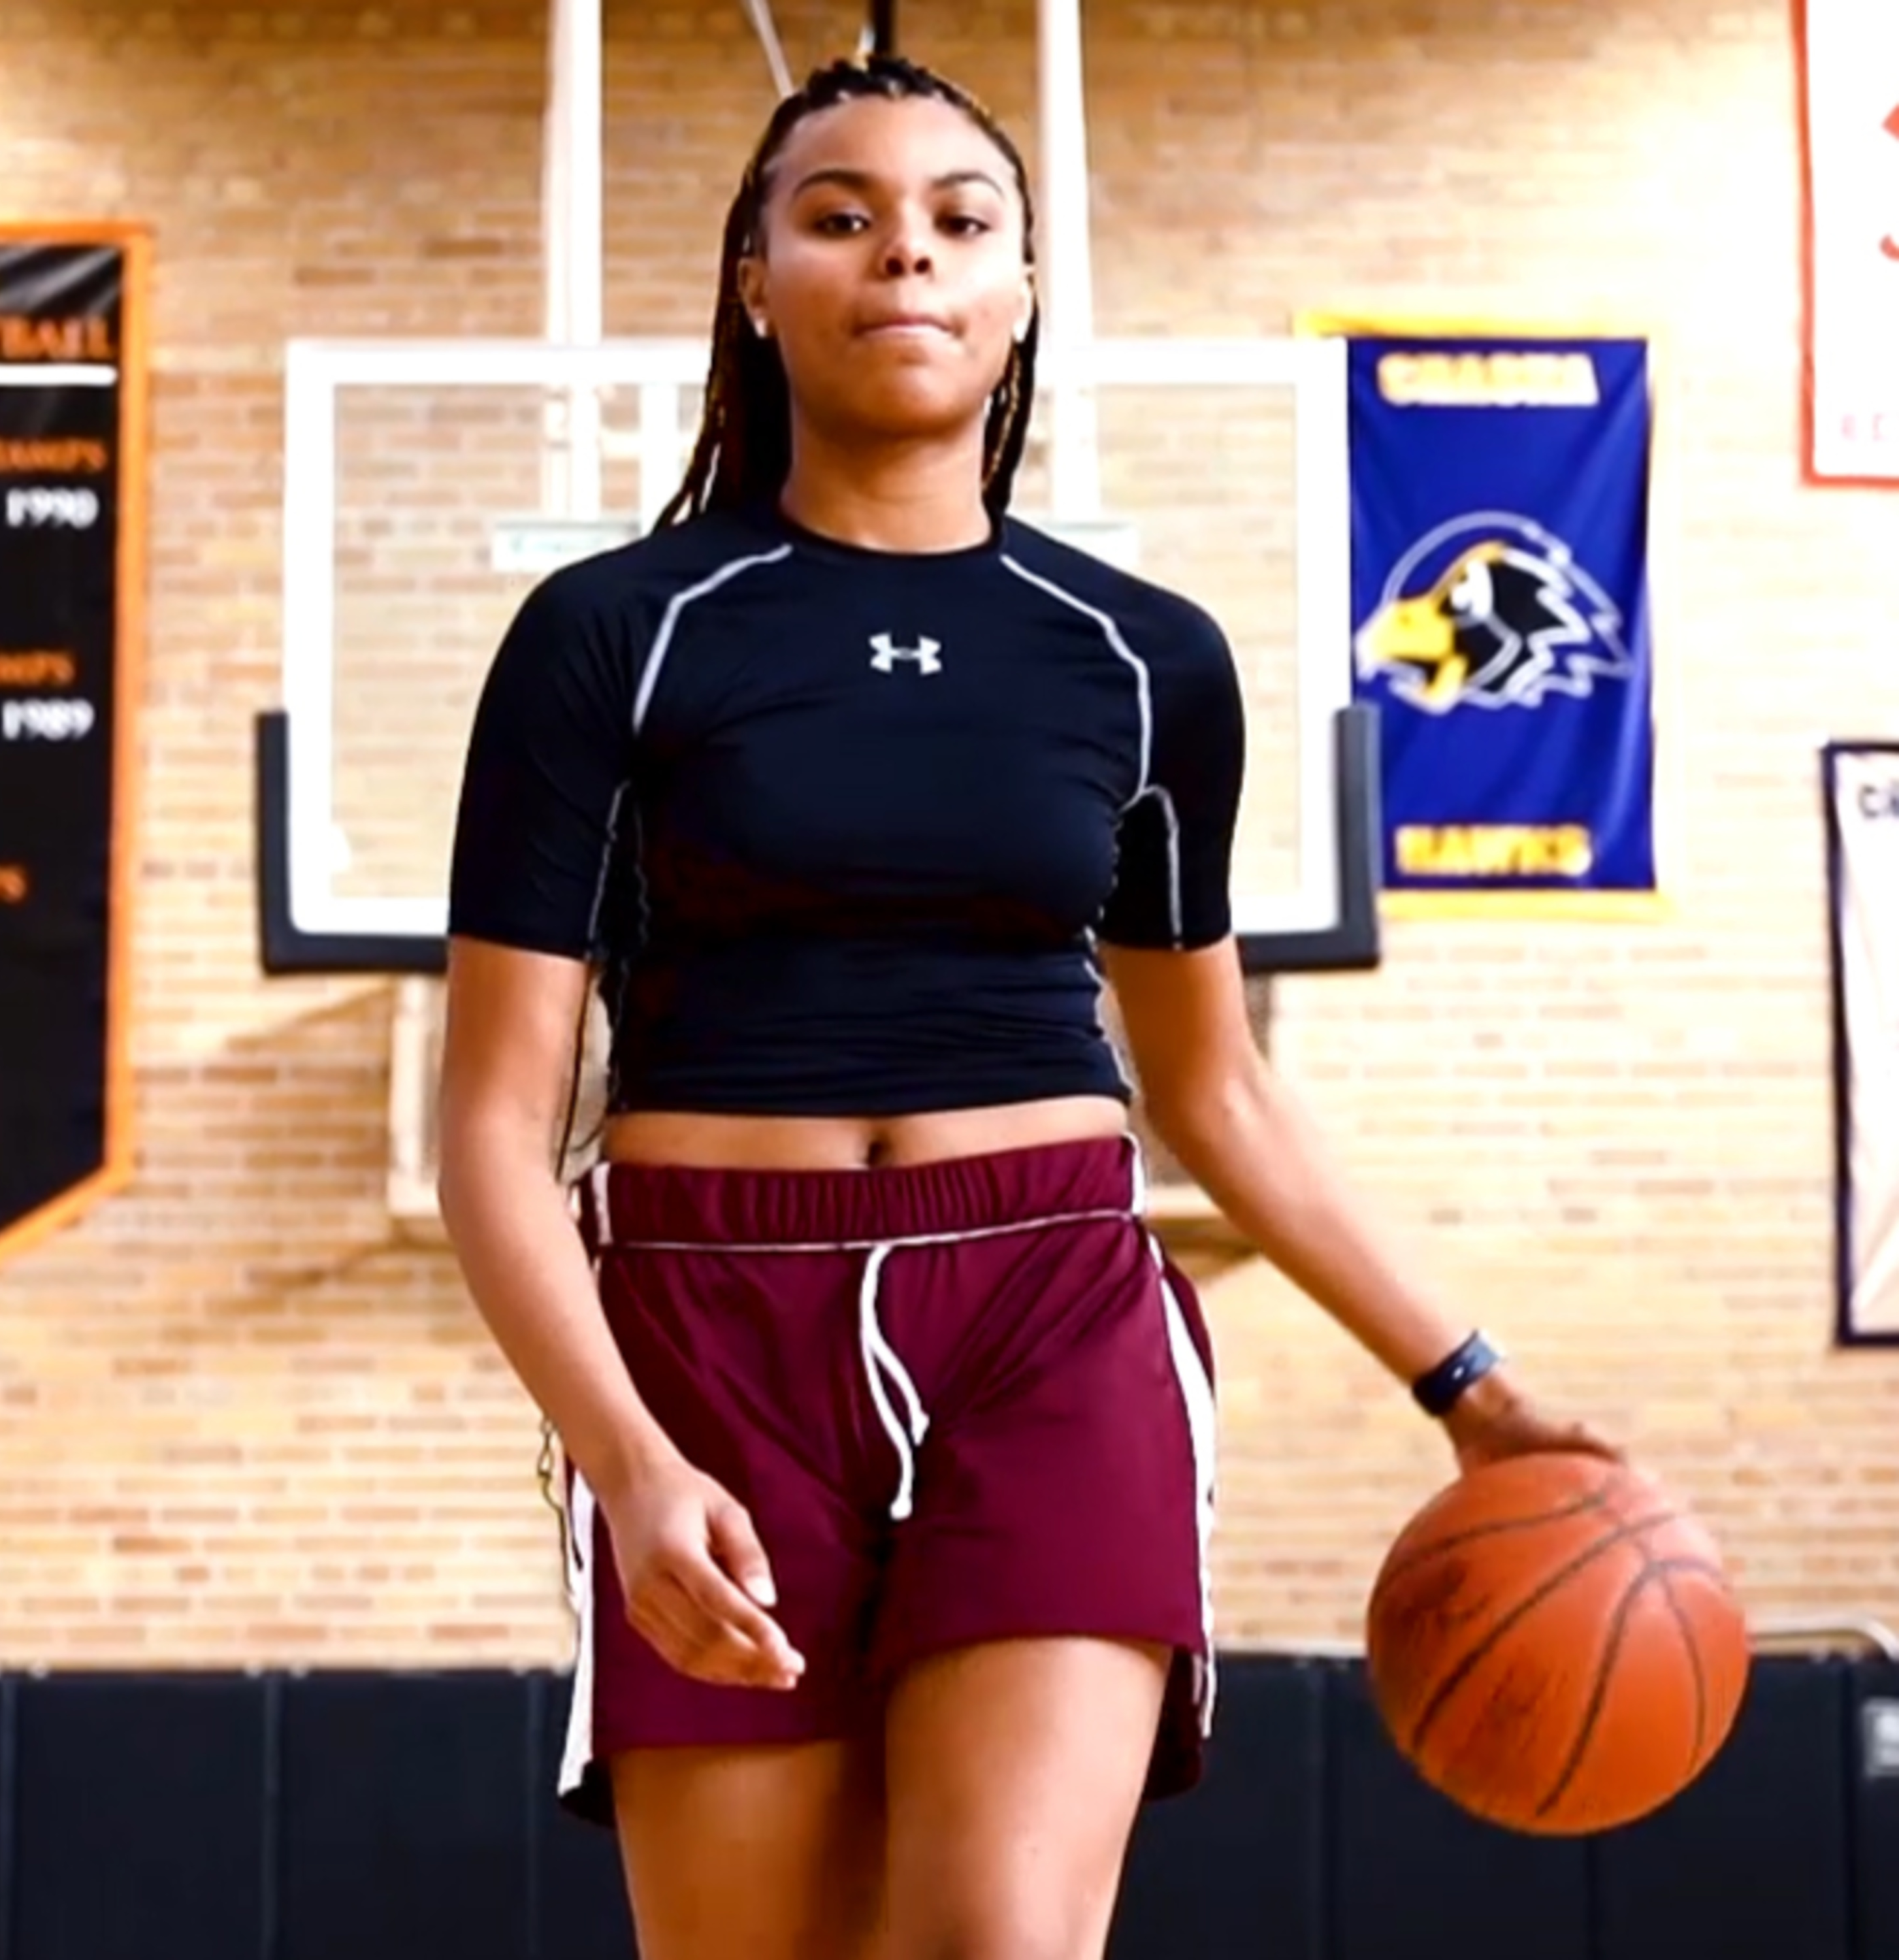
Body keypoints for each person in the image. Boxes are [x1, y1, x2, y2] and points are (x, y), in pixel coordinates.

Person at [435, 50, 1618, 1960]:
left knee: (996, 1935)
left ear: (1022, 287)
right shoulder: (612, 633)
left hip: (1048, 1308)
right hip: (711, 1330)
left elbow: (1219, 1097)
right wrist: (634, 1467)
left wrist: (1476, 1390)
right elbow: (493, 1132)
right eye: (840, 215)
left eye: (958, 219)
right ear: (756, 281)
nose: (904, 252)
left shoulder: (1146, 661)